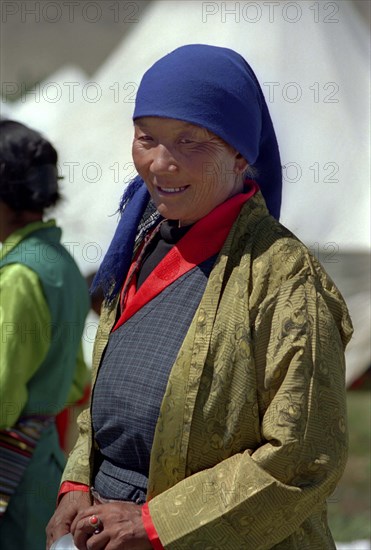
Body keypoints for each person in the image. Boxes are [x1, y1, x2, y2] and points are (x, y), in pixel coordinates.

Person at [46, 45, 353, 550]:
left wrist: (156, 524)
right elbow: (112, 399)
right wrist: (78, 480)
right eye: (147, 139)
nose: (161, 164)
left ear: (239, 154)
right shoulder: (143, 242)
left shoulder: (285, 280)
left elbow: (304, 454)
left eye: (190, 141)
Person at [0, 120, 90, 549]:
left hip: (9, 469)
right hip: (44, 462)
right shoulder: (61, 265)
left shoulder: (18, 274)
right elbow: (76, 377)